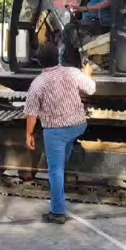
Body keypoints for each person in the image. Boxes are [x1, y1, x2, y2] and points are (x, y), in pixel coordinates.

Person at [24, 43, 95, 224]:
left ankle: (57, 212)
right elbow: (91, 88)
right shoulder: (71, 72)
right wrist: (87, 73)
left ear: (39, 62)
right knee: (61, 163)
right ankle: (61, 184)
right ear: (58, 57)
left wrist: (29, 134)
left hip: (56, 131)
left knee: (55, 170)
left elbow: (31, 114)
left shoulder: (38, 84)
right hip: (77, 125)